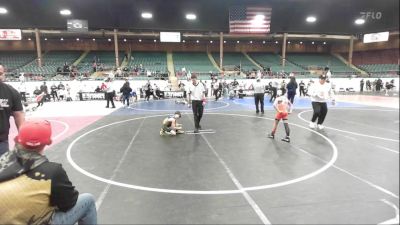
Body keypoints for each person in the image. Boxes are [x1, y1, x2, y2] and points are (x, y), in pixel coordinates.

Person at [0, 120, 97, 224]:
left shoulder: (3, 160)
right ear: (47, 142)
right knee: (88, 200)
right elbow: (69, 204)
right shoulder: (52, 171)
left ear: (19, 139)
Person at [0, 64, 25, 156]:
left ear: (4, 74)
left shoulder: (11, 92)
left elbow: (18, 115)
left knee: (2, 169)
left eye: (0, 73)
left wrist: (23, 138)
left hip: (1, 142)